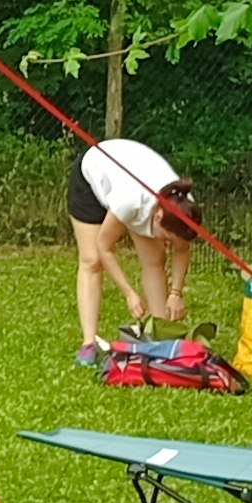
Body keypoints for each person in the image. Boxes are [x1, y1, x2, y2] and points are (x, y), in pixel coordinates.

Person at [68, 137, 196, 357]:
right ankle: (89, 344)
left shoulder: (183, 206)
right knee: (92, 260)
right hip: (92, 178)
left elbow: (182, 249)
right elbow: (105, 247)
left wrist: (176, 293)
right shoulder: (130, 200)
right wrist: (128, 292)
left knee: (155, 259)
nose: (168, 243)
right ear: (157, 217)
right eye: (166, 237)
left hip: (130, 180)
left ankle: (161, 336)